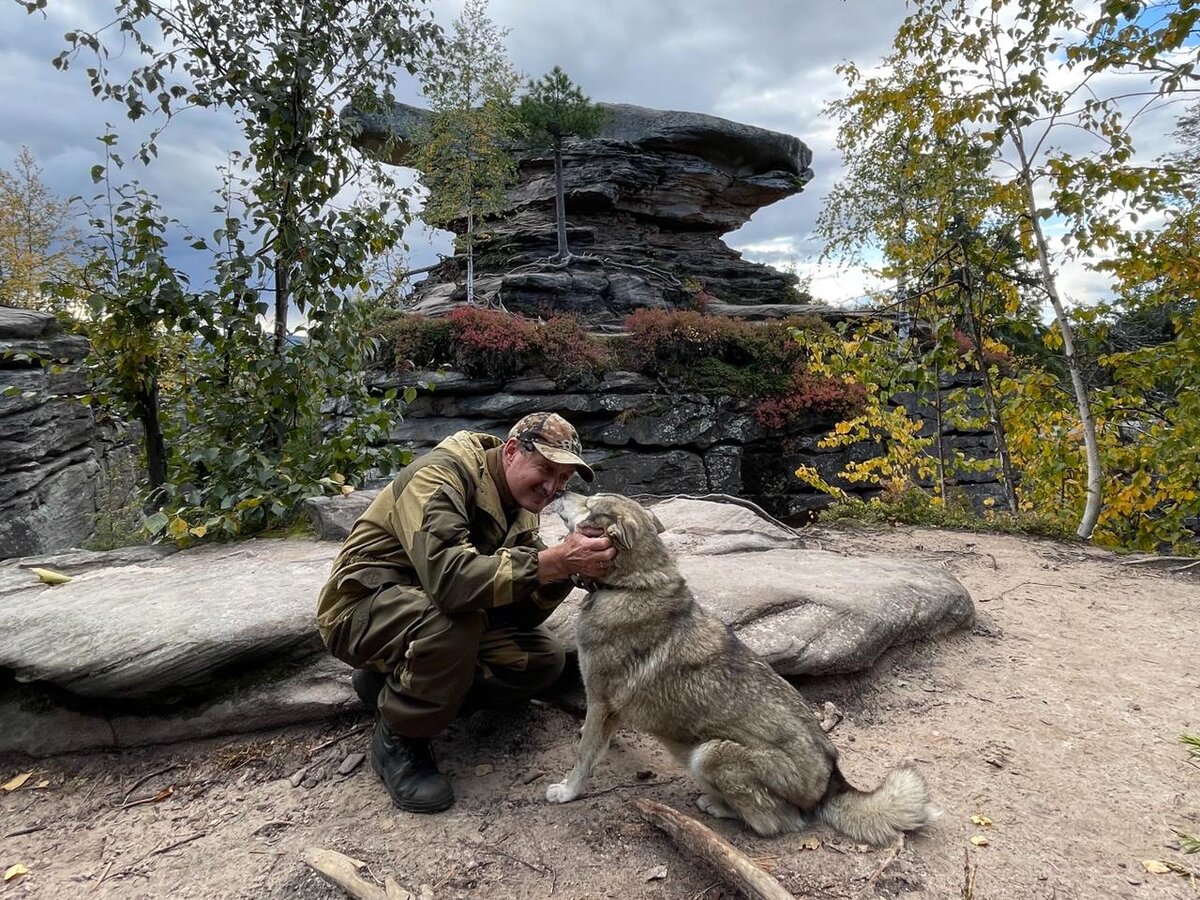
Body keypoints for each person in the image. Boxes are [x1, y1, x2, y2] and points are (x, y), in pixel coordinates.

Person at [316, 412, 615, 813]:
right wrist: (554, 561)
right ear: (511, 451)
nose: (552, 487)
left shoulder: (521, 504)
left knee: (540, 661)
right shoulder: (441, 476)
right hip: (359, 611)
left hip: (428, 613)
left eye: (563, 478)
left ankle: (392, 684)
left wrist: (564, 573)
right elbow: (451, 584)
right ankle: (400, 736)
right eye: (545, 469)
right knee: (451, 625)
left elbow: (519, 614)